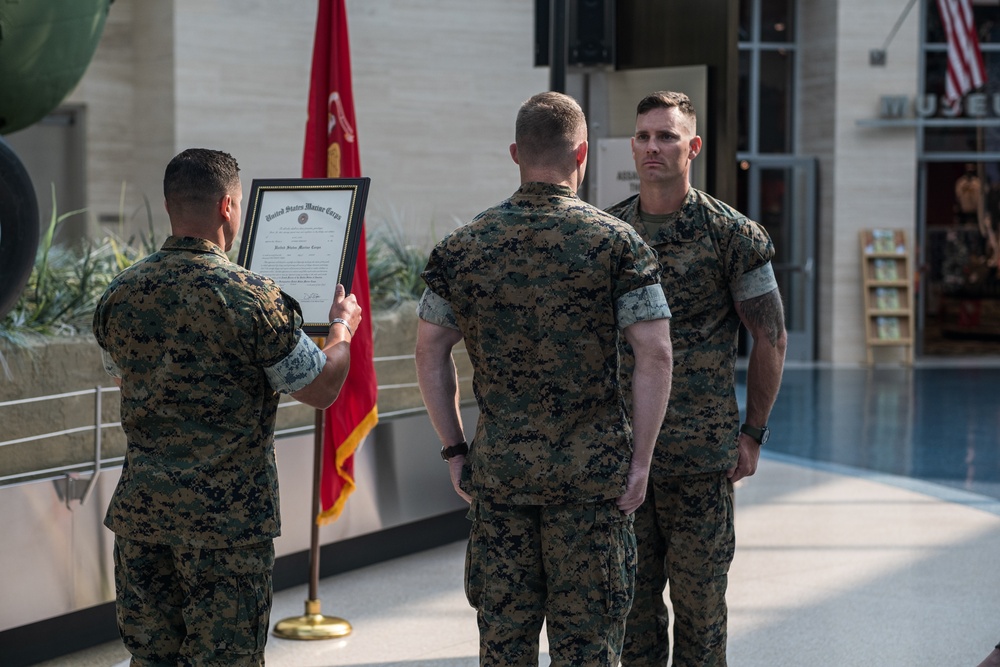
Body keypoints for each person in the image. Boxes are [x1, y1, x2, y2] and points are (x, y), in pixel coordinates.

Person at [414, 91, 674, 666]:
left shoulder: (463, 247)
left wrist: (455, 449)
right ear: (581, 153)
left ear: (515, 152)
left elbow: (429, 351)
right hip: (592, 483)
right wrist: (642, 462)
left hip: (500, 479)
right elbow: (655, 354)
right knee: (588, 648)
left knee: (504, 646)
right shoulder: (618, 244)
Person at [92, 148, 362, 666]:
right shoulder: (254, 298)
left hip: (143, 516)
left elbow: (124, 374)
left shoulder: (119, 295)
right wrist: (342, 326)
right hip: (227, 527)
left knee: (150, 659)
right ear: (229, 207)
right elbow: (322, 388)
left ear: (171, 205)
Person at [605, 91, 787, 666]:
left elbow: (771, 336)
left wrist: (754, 432)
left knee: (701, 614)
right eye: (643, 136)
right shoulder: (610, 233)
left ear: (694, 147)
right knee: (631, 615)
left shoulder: (731, 234)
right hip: (625, 456)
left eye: (667, 136)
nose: (653, 147)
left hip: (700, 459)